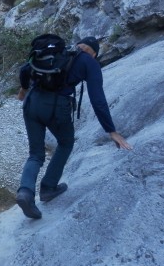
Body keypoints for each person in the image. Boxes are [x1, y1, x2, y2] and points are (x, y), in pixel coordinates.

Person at [15, 36, 132, 219]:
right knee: (66, 142)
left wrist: (23, 90)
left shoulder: (55, 53)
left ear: (79, 45)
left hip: (32, 102)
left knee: (35, 154)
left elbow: (25, 69)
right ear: (93, 53)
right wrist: (111, 131)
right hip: (57, 107)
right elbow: (98, 100)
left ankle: (25, 192)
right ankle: (48, 187)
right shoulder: (89, 62)